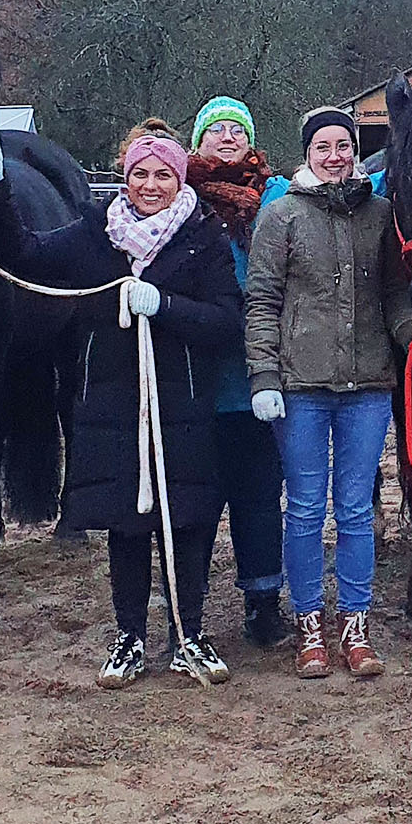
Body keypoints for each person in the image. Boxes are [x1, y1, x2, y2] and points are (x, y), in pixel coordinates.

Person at [0, 119, 241, 688]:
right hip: (112, 407)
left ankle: (188, 634)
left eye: (162, 176)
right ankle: (128, 637)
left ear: (180, 179)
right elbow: (23, 253)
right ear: (125, 177)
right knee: (128, 525)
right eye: (140, 174)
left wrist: (165, 305)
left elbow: (226, 320)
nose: (150, 185)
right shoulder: (92, 235)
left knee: (188, 522)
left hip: (184, 405)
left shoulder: (203, 238)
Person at [244, 106, 412, 679]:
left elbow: (395, 293)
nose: (336, 155)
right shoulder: (282, 216)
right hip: (301, 387)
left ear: (355, 151)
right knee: (305, 510)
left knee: (355, 511)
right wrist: (264, 375)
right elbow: (263, 301)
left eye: (344, 145)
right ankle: (309, 624)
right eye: (324, 146)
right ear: (308, 154)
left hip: (367, 385)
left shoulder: (382, 215)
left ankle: (356, 623)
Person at [185, 95, 288, 648]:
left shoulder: (276, 197)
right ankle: (189, 607)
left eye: (237, 129)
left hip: (258, 378)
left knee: (258, 498)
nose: (227, 136)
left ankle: (263, 603)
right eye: (216, 129)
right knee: (196, 500)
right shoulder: (180, 200)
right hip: (199, 379)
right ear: (198, 139)